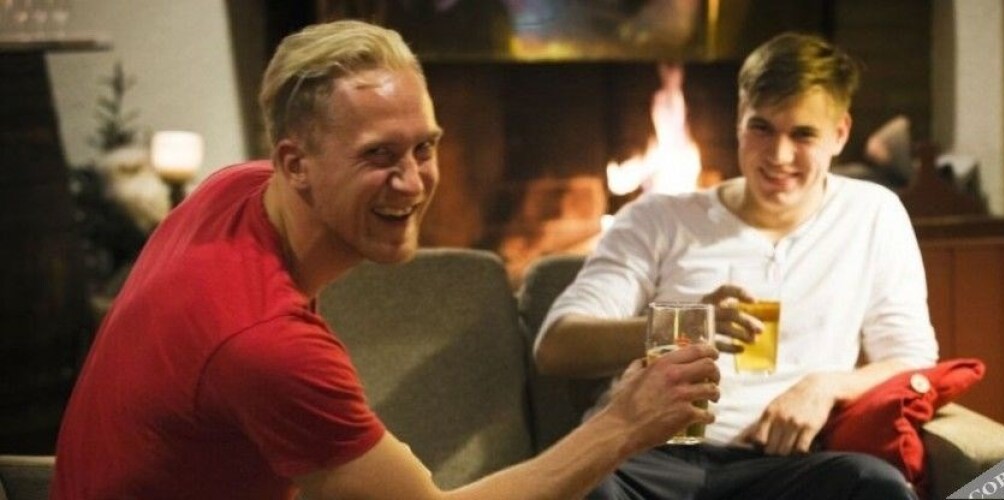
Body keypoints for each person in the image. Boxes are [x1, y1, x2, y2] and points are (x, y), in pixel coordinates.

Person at [52, 20, 720, 499]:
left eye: (423, 148)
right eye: (377, 155)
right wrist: (622, 425)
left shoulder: (234, 190)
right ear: (295, 164)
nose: (412, 182)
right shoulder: (269, 346)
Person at [534, 32, 938, 500]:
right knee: (586, 486)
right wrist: (683, 324)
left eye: (803, 134)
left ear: (839, 134)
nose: (778, 156)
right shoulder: (658, 218)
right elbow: (556, 346)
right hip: (648, 457)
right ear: (739, 120)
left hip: (784, 464)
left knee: (876, 485)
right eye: (761, 128)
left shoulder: (872, 213)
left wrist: (826, 387)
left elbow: (912, 357)